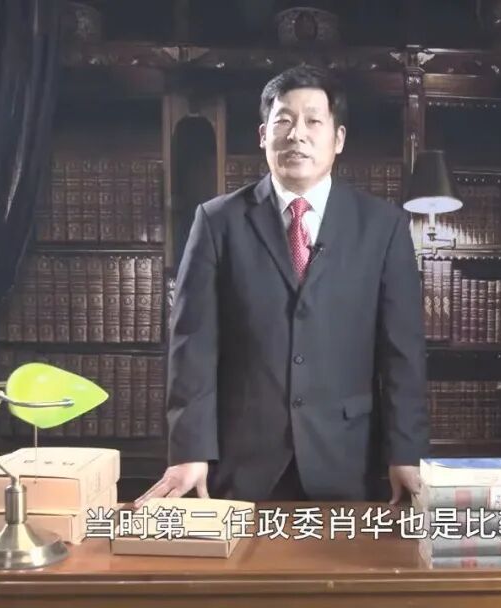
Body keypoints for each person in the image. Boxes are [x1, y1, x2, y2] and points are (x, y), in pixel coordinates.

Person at [136, 65, 429, 507]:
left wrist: (405, 452)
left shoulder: (382, 226)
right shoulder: (217, 221)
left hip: (349, 457)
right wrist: (190, 449)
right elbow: (193, 346)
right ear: (263, 135)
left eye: (313, 121)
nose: (297, 135)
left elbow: (402, 353)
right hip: (242, 461)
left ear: (338, 138)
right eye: (284, 121)